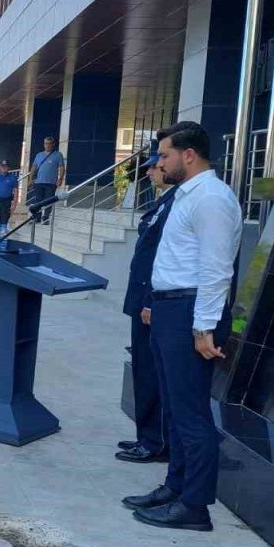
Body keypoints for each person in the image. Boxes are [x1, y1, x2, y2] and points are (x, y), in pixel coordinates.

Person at [123, 121, 241, 533]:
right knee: (174, 408)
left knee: (191, 414)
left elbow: (216, 269)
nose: (159, 163)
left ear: (188, 155)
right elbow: (176, 258)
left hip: (192, 313)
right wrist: (155, 304)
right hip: (171, 309)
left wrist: (203, 326)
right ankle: (175, 487)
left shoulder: (211, 198)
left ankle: (195, 506)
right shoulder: (187, 195)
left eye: (165, 155)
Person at [117, 148, 173, 464]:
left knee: (152, 373)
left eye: (155, 166)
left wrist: (151, 300)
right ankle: (146, 435)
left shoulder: (176, 204)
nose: (150, 172)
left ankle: (156, 442)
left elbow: (163, 259)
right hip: (141, 297)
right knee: (142, 368)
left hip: (152, 300)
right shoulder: (162, 203)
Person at [30, 136, 65, 224]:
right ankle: (37, 218)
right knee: (38, 201)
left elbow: (62, 167)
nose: (48, 145)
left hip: (51, 183)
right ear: (44, 145)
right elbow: (34, 167)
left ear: (53, 144)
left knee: (49, 201)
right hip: (39, 182)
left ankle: (46, 218)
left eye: (50, 144)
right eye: (46, 144)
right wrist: (30, 179)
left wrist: (60, 179)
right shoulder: (39, 155)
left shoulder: (58, 155)